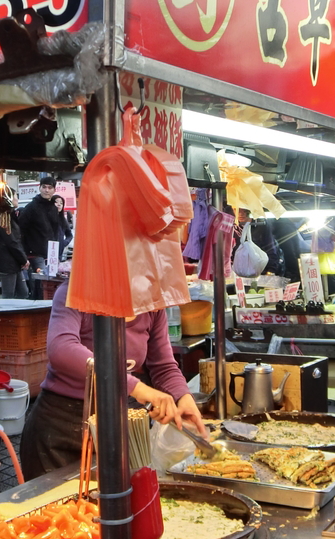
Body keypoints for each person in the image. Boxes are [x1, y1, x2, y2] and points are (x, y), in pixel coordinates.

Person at [20, 282, 207, 479]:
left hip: (115, 426)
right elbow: (61, 348)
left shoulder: (152, 303)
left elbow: (163, 365)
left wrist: (182, 396)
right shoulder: (75, 291)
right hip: (60, 428)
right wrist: (136, 387)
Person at [0, 190, 29, 299]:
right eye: (15, 197)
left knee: (23, 293)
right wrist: (23, 259)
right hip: (7, 262)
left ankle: (18, 315)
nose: (17, 199)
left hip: (12, 262)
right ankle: (4, 315)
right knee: (8, 296)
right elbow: (12, 242)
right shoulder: (4, 219)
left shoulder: (7, 217)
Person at [18, 176, 61, 275]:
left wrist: (56, 254)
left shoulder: (54, 208)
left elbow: (55, 232)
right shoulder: (31, 207)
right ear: (39, 188)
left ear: (54, 190)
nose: (46, 190)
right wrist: (24, 253)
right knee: (39, 284)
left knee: (49, 283)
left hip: (51, 254)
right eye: (44, 187)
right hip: (34, 254)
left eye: (50, 188)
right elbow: (20, 230)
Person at [236, 208, 284, 275]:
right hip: (237, 272)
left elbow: (271, 248)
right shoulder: (231, 225)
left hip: (261, 271)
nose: (241, 213)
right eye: (237, 210)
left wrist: (271, 271)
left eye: (245, 210)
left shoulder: (261, 224)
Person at [51, 194, 73, 259]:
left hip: (59, 253)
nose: (59, 204)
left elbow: (69, 235)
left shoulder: (63, 220)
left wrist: (63, 243)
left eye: (61, 203)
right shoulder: (45, 218)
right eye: (56, 202)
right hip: (46, 253)